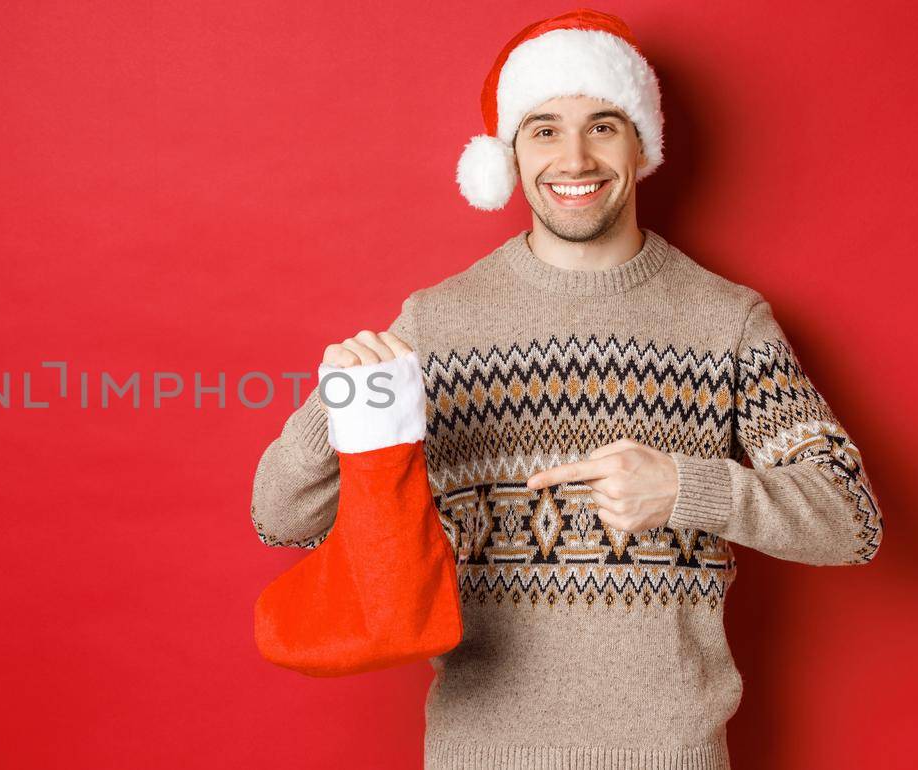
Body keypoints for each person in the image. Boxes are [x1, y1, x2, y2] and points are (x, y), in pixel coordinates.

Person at [248, 9, 885, 769]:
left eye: (603, 125)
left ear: (641, 143)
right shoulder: (437, 323)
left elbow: (853, 521)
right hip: (478, 753)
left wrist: (690, 488)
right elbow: (279, 520)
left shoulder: (728, 322)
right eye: (544, 128)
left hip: (668, 754)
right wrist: (336, 408)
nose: (574, 157)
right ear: (509, 154)